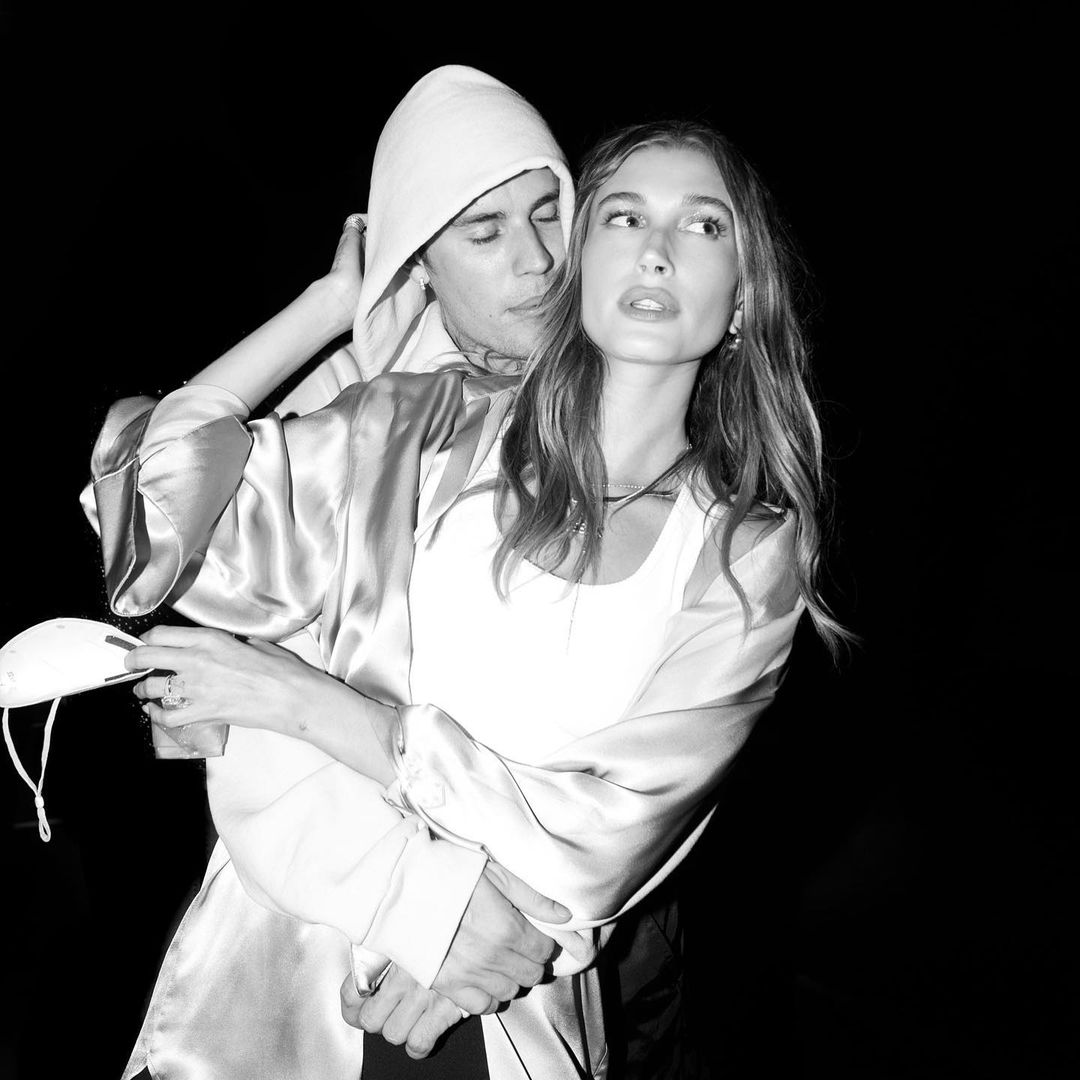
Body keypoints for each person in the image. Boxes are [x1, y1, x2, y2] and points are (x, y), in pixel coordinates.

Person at [87, 114, 845, 1078]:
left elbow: (611, 833)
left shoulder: (749, 553)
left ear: (742, 299)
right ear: (580, 265)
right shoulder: (425, 426)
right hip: (281, 986)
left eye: (704, 225)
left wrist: (306, 705)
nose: (656, 250)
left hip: (504, 1012)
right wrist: (329, 307)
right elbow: (148, 503)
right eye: (623, 217)